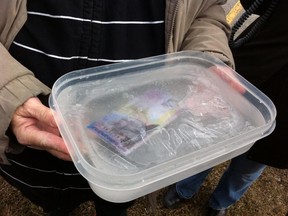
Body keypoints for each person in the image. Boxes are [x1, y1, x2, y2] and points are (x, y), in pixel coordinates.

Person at [0, 1, 234, 215]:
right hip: (31, 143)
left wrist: (205, 58)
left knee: (114, 204)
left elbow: (205, 12)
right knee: (52, 203)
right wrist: (7, 90)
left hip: (132, 153)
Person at [163, 0, 288, 215]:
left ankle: (219, 203)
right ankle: (184, 188)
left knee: (250, 165)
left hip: (283, 115)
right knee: (210, 140)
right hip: (245, 76)